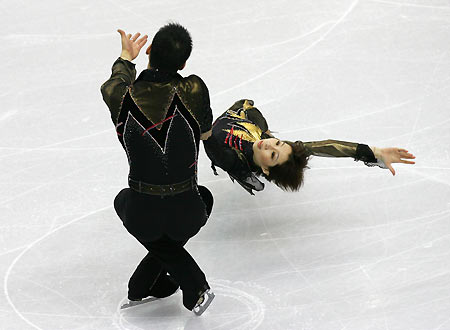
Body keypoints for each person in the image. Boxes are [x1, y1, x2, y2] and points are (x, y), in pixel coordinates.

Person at [100, 23, 215, 315]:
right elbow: (204, 133)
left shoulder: (121, 95)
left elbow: (111, 85)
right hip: (188, 212)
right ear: (184, 63)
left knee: (122, 200)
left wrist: (126, 58)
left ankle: (166, 284)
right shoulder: (194, 88)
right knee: (205, 197)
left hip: (143, 215)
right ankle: (146, 285)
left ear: (149, 50)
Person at [204, 99, 416, 195]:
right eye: (278, 143)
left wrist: (203, 130)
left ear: (267, 168)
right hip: (242, 121)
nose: (269, 145)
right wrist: (374, 153)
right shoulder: (263, 137)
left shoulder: (231, 157)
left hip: (227, 151)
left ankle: (248, 176)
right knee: (248, 107)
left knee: (232, 161)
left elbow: (210, 143)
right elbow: (326, 146)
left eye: (273, 154)